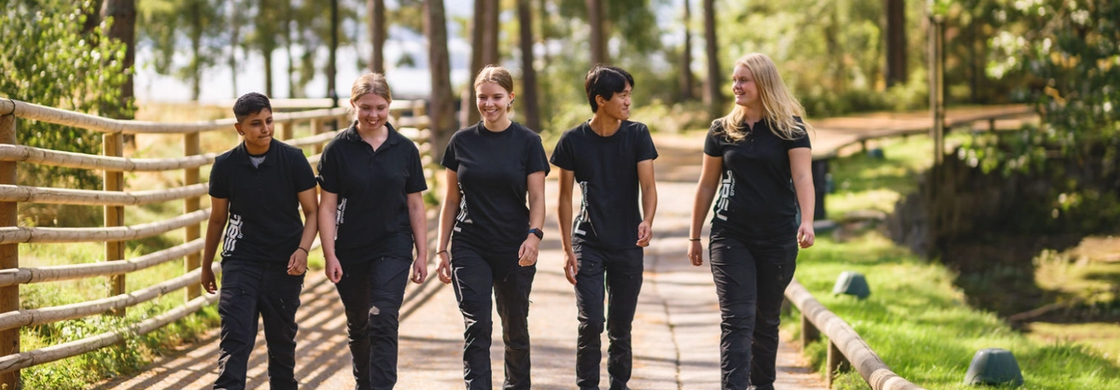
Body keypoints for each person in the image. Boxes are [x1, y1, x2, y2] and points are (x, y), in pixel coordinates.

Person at [686, 53, 816, 390]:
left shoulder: (791, 128)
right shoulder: (721, 130)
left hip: (778, 236)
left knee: (766, 321)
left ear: (763, 82)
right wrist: (694, 236)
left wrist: (808, 221)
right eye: (734, 79)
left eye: (743, 80)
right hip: (731, 235)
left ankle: (763, 385)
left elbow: (803, 177)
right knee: (736, 320)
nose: (736, 86)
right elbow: (705, 185)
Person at [435, 65, 549, 390]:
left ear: (510, 98)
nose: (489, 104)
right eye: (482, 97)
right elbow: (451, 200)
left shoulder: (528, 142)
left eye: (497, 97)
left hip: (515, 246)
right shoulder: (461, 142)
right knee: (477, 326)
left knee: (515, 328)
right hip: (470, 244)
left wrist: (534, 235)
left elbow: (538, 199)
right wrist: (441, 249)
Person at [316, 73, 429, 390]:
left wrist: (422, 254)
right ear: (353, 105)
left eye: (380, 107)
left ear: (389, 105)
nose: (373, 114)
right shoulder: (337, 150)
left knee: (382, 317)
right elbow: (326, 207)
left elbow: (416, 205)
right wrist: (329, 254)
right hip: (350, 249)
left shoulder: (404, 149)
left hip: (393, 245)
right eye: (365, 107)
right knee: (359, 323)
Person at [200, 92, 319, 390]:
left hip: (285, 264)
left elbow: (312, 212)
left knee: (281, 343)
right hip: (241, 261)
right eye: (255, 124)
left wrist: (303, 250)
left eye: (269, 121)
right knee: (235, 338)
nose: (265, 128)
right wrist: (206, 266)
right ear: (239, 128)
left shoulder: (293, 160)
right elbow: (217, 219)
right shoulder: (225, 166)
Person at [551, 65, 658, 390]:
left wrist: (648, 220)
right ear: (601, 100)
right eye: (622, 95)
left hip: (628, 243)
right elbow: (565, 200)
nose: (628, 101)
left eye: (629, 95)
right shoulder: (572, 141)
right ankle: (587, 385)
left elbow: (649, 187)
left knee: (620, 325)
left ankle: (619, 384)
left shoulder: (637, 134)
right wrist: (568, 249)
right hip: (588, 242)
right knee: (591, 322)